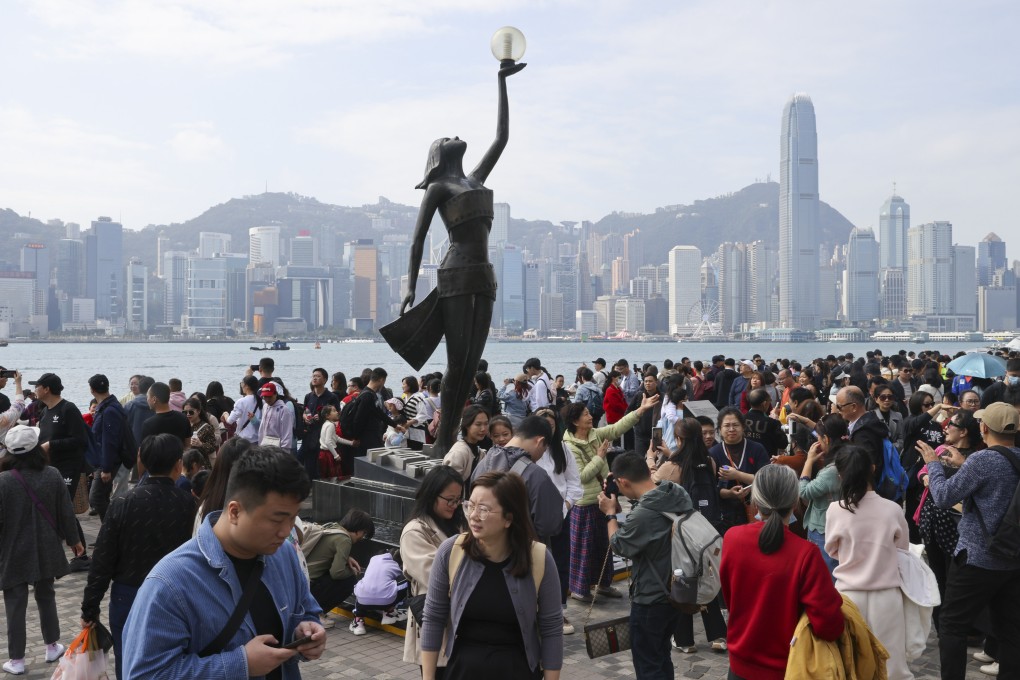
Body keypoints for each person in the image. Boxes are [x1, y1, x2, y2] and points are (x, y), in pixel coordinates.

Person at [382, 61, 525, 457]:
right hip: (456, 276)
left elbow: (502, 137)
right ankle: (444, 439)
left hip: (483, 277)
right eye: (446, 137)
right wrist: (411, 285)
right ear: (438, 155)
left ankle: (450, 437)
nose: (456, 135)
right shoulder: (439, 188)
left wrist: (501, 82)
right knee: (457, 363)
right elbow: (416, 240)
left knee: (472, 360)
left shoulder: (475, 178)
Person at [121, 446, 326, 679]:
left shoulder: (285, 555)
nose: (286, 531)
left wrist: (308, 631)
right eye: (277, 519)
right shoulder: (169, 583)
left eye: (293, 517)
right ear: (235, 512)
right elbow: (144, 674)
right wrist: (240, 665)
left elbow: (305, 610)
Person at [421, 470, 562, 680]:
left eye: (484, 509)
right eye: (470, 506)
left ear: (508, 518)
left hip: (517, 671)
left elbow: (551, 629)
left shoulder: (540, 559)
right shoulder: (451, 551)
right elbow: (433, 617)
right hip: (462, 671)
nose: (473, 516)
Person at [80, 434, 197, 680]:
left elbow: (102, 560)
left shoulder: (123, 502)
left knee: (128, 659)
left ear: (140, 461)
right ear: (178, 465)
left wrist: (90, 608)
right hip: (177, 594)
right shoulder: (188, 504)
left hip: (128, 594)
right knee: (175, 658)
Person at [917, 402, 1020, 679]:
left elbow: (943, 496)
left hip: (977, 557)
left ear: (984, 427)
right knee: (1011, 629)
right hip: (1012, 557)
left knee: (952, 624)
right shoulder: (1013, 457)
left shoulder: (983, 460)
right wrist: (964, 465)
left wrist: (933, 466)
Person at [720, 464, 844, 680]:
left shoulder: (732, 538)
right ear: (796, 502)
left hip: (740, 664)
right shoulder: (806, 554)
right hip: (788, 667)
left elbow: (731, 597)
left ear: (755, 503)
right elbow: (829, 625)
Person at [598, 452, 691, 679]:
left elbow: (619, 545)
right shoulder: (676, 493)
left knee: (648, 664)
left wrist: (611, 514)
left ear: (623, 482)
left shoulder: (642, 515)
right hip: (678, 590)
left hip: (651, 597)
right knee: (661, 656)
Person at [0, 425, 85, 676]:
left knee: (15, 604)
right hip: (46, 547)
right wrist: (75, 540)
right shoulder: (52, 474)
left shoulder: (3, 481)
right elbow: (65, 512)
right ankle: (51, 646)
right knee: (46, 596)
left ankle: (16, 660)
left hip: (12, 549)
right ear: (36, 448)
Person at [825, 445, 913, 680]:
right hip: (886, 594)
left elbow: (832, 550)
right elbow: (902, 549)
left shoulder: (835, 510)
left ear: (841, 475)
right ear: (873, 469)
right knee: (891, 665)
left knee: (849, 662)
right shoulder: (892, 509)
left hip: (847, 595)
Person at [562, 390, 659, 603]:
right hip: (585, 503)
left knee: (604, 545)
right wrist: (599, 458)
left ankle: (603, 584)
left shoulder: (595, 434)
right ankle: (580, 589)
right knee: (584, 549)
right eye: (586, 414)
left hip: (604, 500)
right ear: (576, 421)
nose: (590, 416)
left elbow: (618, 427)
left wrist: (640, 410)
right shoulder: (569, 446)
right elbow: (581, 477)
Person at [646, 418, 727, 653]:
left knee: (682, 580)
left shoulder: (671, 467)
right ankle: (718, 636)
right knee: (706, 576)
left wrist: (652, 459)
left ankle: (684, 640)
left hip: (679, 533)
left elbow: (652, 487)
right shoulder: (709, 461)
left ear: (679, 439)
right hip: (706, 529)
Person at [915, 411, 980, 631]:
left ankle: (956, 624)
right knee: (936, 574)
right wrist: (925, 476)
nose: (945, 426)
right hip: (932, 521)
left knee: (955, 577)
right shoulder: (940, 450)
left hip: (957, 526)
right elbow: (923, 471)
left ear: (963, 431)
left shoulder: (975, 458)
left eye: (950, 423)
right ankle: (941, 623)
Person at [400, 466, 466, 677]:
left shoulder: (458, 523)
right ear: (431, 495)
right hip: (436, 621)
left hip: (460, 621)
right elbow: (436, 576)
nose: (455, 506)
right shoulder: (415, 532)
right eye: (450, 500)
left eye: (458, 500)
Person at [32, 372, 92, 571]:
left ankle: (80, 556)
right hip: (49, 468)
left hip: (69, 467)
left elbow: (80, 441)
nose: (35, 390)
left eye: (37, 386)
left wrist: (52, 445)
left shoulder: (68, 409)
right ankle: (74, 554)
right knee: (55, 509)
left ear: (46, 388)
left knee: (63, 508)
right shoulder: (44, 411)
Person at [471, 415, 563, 543]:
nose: (542, 454)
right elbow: (549, 525)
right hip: (521, 552)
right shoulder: (536, 475)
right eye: (544, 449)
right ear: (539, 441)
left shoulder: (483, 463)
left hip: (483, 547)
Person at [304, 508, 374, 632]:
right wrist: (354, 573)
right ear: (359, 531)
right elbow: (336, 573)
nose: (362, 537)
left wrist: (347, 558)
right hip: (308, 586)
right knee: (349, 581)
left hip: (302, 581)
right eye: (364, 533)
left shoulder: (333, 528)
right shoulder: (345, 540)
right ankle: (315, 614)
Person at [798, 414, 848, 576]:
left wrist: (808, 461)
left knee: (826, 574)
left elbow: (804, 491)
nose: (817, 443)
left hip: (823, 528)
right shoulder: (849, 455)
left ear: (826, 439)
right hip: (843, 523)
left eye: (819, 438)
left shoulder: (832, 470)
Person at [710, 406, 769, 531]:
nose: (731, 429)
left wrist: (737, 475)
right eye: (727, 425)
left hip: (757, 510)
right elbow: (711, 488)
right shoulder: (714, 453)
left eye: (735, 425)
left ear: (743, 427)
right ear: (720, 429)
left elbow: (766, 480)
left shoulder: (757, 448)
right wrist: (729, 493)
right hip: (726, 515)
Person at [87, 373, 130, 523]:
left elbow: (109, 440)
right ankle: (110, 530)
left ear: (92, 390)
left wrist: (106, 468)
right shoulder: (107, 407)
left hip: (107, 461)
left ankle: (110, 530)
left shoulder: (109, 410)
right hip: (103, 459)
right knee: (102, 497)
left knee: (96, 497)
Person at [350, 551, 408, 635]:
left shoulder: (372, 561)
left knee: (363, 586)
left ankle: (358, 622)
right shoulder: (394, 565)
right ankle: (389, 611)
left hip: (362, 602)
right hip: (386, 602)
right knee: (407, 577)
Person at [299, 368, 341, 482]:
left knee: (321, 464)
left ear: (325, 380)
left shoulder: (331, 397)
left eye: (318, 376)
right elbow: (305, 410)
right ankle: (309, 486)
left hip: (323, 435)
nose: (314, 378)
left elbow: (337, 416)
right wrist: (305, 416)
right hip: (309, 433)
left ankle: (321, 486)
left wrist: (322, 417)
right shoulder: (309, 396)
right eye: (313, 376)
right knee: (307, 463)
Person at [140, 382, 192, 452]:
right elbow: (188, 446)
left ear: (154, 399)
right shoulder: (183, 418)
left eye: (148, 397)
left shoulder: (148, 424)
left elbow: (145, 452)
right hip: (179, 460)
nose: (147, 400)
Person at [442, 405, 489, 482]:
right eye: (478, 424)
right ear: (467, 424)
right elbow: (449, 484)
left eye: (486, 423)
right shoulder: (459, 453)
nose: (483, 429)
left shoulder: (479, 452)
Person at [743, 388, 788, 456]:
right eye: (769, 401)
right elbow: (783, 444)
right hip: (765, 460)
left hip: (744, 458)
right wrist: (776, 420)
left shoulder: (741, 419)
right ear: (764, 403)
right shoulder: (772, 423)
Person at [224, 375, 260, 444]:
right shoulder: (261, 401)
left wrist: (225, 414)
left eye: (242, 383)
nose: (241, 386)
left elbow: (230, 420)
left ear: (247, 386)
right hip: (257, 439)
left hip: (244, 440)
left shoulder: (241, 401)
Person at [258, 381, 294, 449]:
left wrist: (284, 451)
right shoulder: (265, 407)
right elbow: (262, 428)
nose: (267, 399)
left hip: (278, 447)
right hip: (265, 445)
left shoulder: (283, 410)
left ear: (275, 394)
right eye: (265, 397)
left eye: (270, 396)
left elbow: (287, 433)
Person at [124, 375, 155, 451]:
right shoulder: (157, 404)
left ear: (139, 388)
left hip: (133, 447)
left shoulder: (129, 405)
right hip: (154, 446)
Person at [183, 396, 218, 461]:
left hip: (201, 463)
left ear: (198, 411)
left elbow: (213, 447)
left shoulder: (206, 427)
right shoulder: (183, 425)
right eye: (185, 412)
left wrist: (201, 444)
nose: (188, 414)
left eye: (191, 412)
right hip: (186, 462)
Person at [872, 383, 906, 450]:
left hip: (894, 453)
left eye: (890, 397)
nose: (887, 400)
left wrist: (890, 448)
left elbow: (902, 439)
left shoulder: (898, 416)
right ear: (876, 399)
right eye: (883, 397)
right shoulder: (870, 416)